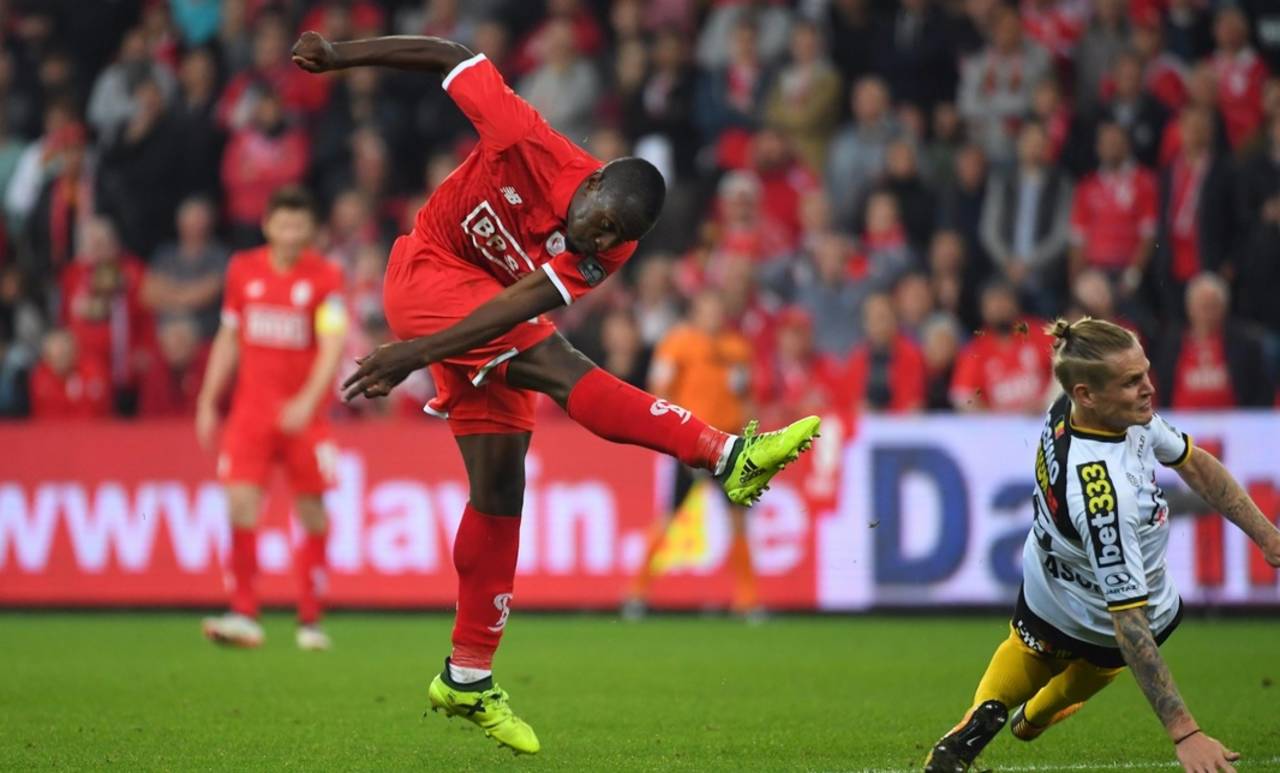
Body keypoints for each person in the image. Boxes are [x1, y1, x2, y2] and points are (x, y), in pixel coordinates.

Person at [290, 30, 819, 755]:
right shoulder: (521, 135)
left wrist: (419, 354)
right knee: (559, 367)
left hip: (481, 311)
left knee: (500, 488)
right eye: (603, 222)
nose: (600, 240)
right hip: (427, 271)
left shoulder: (611, 247)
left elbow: (520, 303)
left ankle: (467, 675)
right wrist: (342, 57)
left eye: (615, 236)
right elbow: (449, 54)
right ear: (594, 184)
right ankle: (725, 454)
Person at [923, 316, 1280, 773]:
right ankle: (1036, 715)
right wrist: (1186, 733)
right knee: (1097, 668)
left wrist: (1267, 536)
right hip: (1098, 615)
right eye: (1131, 382)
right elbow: (1128, 624)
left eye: (1144, 372)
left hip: (1046, 585)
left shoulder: (1075, 408)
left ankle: (988, 711)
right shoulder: (1105, 497)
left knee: (1027, 647)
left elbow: (1193, 463)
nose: (1149, 388)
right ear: (1087, 394)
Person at [196, 187, 347, 654]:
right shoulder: (242, 270)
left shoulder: (326, 276)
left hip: (305, 417)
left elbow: (332, 346)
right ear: (267, 226)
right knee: (239, 504)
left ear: (310, 230)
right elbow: (228, 338)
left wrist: (307, 401)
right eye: (283, 224)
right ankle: (244, 613)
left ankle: (310, 618)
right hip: (251, 413)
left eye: (299, 225)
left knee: (312, 512)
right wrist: (208, 398)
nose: (290, 233)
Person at [622, 289, 759, 621]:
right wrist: (679, 439)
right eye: (706, 309)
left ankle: (747, 600)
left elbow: (744, 396)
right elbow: (660, 391)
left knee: (738, 520)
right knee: (669, 516)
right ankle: (636, 593)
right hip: (692, 445)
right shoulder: (677, 344)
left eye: (717, 309)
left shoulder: (737, 348)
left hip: (728, 446)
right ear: (695, 312)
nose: (712, 316)